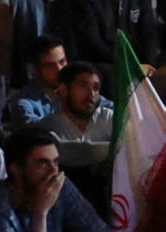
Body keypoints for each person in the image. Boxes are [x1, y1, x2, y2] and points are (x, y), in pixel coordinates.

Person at [38, 60, 119, 205]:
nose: (91, 94)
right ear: (63, 90)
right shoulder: (48, 127)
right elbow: (64, 152)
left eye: (96, 88)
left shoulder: (108, 119)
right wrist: (114, 148)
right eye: (83, 86)